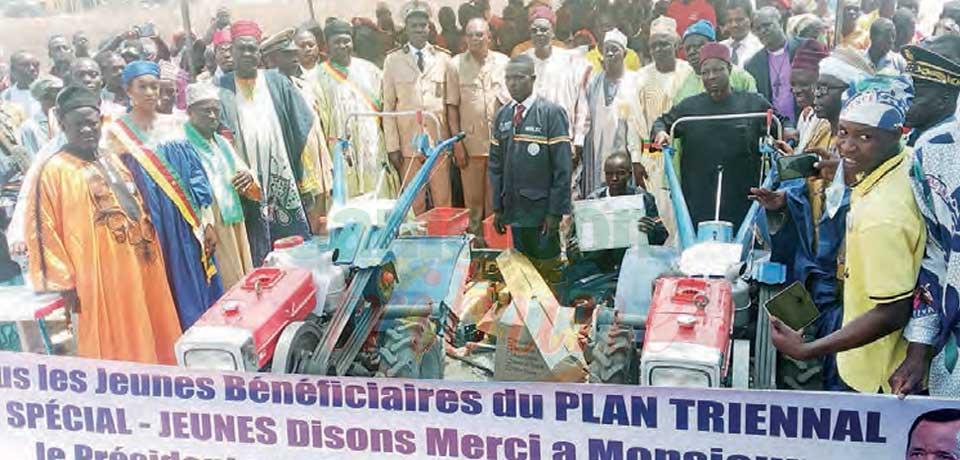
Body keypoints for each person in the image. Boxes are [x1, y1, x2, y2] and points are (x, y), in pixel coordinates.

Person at [770, 76, 923, 394]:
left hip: (873, 372)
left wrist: (806, 350)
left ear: (897, 134)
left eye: (865, 137)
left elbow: (892, 312)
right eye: (843, 133)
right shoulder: (900, 164)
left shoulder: (882, 216)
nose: (848, 146)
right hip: (852, 319)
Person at [25, 85, 181, 364]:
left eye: (91, 123)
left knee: (152, 329)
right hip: (96, 276)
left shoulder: (112, 158)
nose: (87, 130)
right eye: (78, 125)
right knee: (114, 341)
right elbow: (41, 229)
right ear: (62, 125)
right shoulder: (53, 170)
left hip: (141, 267)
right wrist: (64, 282)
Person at [752, 44, 866, 392]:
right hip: (812, 263)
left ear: (850, 93)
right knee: (791, 355)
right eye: (818, 86)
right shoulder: (818, 130)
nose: (816, 93)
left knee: (842, 368)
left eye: (825, 87)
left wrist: (842, 177)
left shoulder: (861, 142)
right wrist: (782, 201)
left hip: (847, 275)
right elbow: (808, 193)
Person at [103, 61, 223, 330]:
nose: (149, 92)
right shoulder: (116, 134)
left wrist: (208, 222)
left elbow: (195, 176)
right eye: (142, 86)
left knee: (196, 275)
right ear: (128, 90)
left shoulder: (176, 125)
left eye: (154, 86)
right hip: (152, 224)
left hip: (187, 222)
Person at [216, 20, 324, 263]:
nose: (246, 54)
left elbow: (301, 127)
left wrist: (300, 172)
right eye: (241, 49)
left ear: (259, 52)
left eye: (251, 49)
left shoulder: (277, 82)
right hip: (244, 184)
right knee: (256, 255)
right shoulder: (220, 88)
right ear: (231, 51)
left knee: (292, 254)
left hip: (281, 179)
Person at [888, 36, 960, 398]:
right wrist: (918, 349)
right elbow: (934, 254)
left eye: (917, 89)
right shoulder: (926, 152)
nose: (906, 97)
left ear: (948, 98)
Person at [653, 43, 778, 228]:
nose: (711, 77)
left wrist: (790, 130)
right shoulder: (689, 107)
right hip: (699, 196)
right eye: (705, 72)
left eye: (717, 70)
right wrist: (661, 132)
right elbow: (661, 122)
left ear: (729, 69)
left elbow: (780, 122)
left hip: (743, 195)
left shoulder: (752, 103)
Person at [489, 54, 572, 281]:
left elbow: (562, 168)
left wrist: (555, 212)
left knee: (548, 273)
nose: (513, 83)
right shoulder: (503, 116)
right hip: (515, 212)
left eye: (519, 77)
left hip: (541, 214)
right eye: (509, 78)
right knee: (522, 275)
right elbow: (495, 166)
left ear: (533, 79)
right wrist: (497, 208)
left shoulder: (551, 114)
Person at [183, 83, 259, 288]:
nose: (212, 116)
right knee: (222, 279)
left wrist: (248, 178)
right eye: (205, 110)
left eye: (216, 110)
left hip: (232, 219)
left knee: (241, 273)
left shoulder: (221, 142)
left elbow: (244, 172)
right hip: (208, 223)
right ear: (190, 112)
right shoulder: (182, 144)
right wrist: (204, 223)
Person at [383, 1, 454, 215]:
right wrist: (392, 146)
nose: (419, 30)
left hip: (438, 143)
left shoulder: (443, 58)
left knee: (443, 200)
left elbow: (449, 104)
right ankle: (417, 245)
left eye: (423, 25)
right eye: (414, 25)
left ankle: (444, 243)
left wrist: (450, 142)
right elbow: (388, 106)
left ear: (429, 27)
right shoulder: (393, 61)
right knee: (415, 203)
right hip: (408, 144)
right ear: (405, 28)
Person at [315, 19, 396, 200]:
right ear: (327, 45)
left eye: (347, 41)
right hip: (340, 151)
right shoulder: (318, 76)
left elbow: (386, 108)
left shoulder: (370, 70)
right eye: (337, 42)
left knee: (378, 197)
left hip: (372, 146)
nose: (343, 46)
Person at [445, 17, 509, 239]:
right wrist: (457, 144)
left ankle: (494, 250)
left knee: (494, 204)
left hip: (497, 145)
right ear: (465, 38)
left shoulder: (503, 62)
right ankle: (475, 251)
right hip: (470, 146)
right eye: (470, 34)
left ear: (489, 37)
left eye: (480, 34)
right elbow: (451, 108)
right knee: (473, 205)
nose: (475, 39)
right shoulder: (455, 65)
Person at [634, 16, 693, 246]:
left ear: (676, 45)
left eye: (664, 43)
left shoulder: (688, 72)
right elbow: (634, 122)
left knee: (682, 211)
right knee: (659, 212)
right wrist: (636, 160)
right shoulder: (641, 77)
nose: (659, 49)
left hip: (686, 155)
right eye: (654, 45)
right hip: (653, 158)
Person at [521, 6, 590, 169]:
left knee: (564, 190)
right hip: (531, 140)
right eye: (535, 30)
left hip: (564, 140)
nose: (539, 34)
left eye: (544, 29)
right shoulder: (522, 61)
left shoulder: (570, 60)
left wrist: (578, 140)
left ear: (553, 32)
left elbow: (581, 103)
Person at [578, 29, 644, 198]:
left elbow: (644, 127)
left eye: (614, 49)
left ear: (625, 53)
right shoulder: (593, 82)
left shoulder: (636, 81)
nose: (609, 53)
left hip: (626, 156)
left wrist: (642, 158)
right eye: (606, 49)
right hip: (596, 155)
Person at [673, 20, 757, 104]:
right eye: (688, 49)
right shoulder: (685, 84)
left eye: (698, 46)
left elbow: (755, 106)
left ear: (713, 45)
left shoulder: (740, 77)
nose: (692, 52)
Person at [744, 7, 803, 125]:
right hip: (773, 128)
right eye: (758, 29)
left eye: (767, 25)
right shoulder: (753, 64)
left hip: (805, 122)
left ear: (780, 23)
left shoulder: (803, 48)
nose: (762, 31)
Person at [18, 75, 61, 158]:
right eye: (55, 91)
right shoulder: (30, 126)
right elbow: (31, 155)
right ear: (43, 96)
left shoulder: (68, 120)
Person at [721, 0, 764, 67]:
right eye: (730, 21)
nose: (734, 25)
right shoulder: (720, 48)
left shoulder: (760, 48)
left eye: (739, 20)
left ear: (750, 19)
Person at [2, 52, 42, 120]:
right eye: (25, 65)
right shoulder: (6, 96)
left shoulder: (48, 93)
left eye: (35, 64)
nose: (32, 68)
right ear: (13, 70)